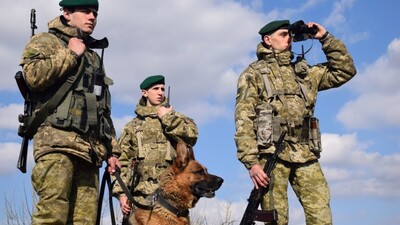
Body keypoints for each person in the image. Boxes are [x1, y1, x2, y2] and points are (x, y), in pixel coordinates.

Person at [234, 20, 356, 225]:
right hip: (272, 154)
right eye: (283, 34)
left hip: (305, 152)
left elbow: (345, 70)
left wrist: (325, 38)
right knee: (276, 219)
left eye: (290, 34)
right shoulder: (253, 74)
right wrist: (251, 162)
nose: (288, 38)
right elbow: (244, 118)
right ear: (267, 40)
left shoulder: (305, 73)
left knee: (321, 216)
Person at [19, 0, 121, 224]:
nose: (92, 17)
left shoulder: (94, 58)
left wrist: (112, 151)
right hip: (57, 143)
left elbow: (101, 109)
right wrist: (71, 55)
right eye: (85, 11)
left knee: (85, 221)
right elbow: (33, 77)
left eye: (95, 13)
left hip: (90, 151)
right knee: (52, 216)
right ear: (66, 13)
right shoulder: (46, 40)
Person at [112, 75, 199, 221]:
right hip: (140, 198)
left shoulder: (175, 118)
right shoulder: (133, 126)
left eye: (163, 89)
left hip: (170, 198)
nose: (160, 92)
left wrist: (168, 118)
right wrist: (122, 194)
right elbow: (123, 161)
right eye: (155, 89)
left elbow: (191, 137)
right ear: (144, 92)